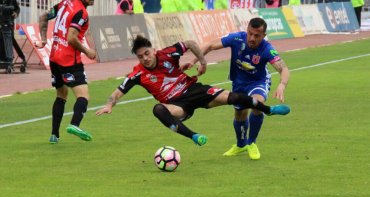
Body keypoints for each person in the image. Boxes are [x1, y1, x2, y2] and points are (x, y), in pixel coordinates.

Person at [96, 35, 290, 146]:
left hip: (194, 90)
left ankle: (269, 110)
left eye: (147, 53)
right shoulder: (137, 74)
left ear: (153, 50)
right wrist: (109, 104)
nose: (145, 58)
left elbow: (189, 43)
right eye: (140, 56)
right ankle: (194, 136)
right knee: (158, 110)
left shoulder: (168, 53)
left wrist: (203, 62)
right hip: (178, 105)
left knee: (236, 98)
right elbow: (118, 91)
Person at [184, 17, 290, 159]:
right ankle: (241, 145)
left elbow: (283, 69)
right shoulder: (237, 39)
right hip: (239, 83)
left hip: (258, 82)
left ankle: (251, 142)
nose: (252, 38)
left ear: (264, 36)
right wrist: (194, 60)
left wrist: (282, 85)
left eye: (257, 35)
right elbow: (209, 45)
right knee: (240, 114)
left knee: (257, 104)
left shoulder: (266, 49)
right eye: (250, 33)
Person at [35, 0, 97, 144]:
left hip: (54, 57)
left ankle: (54, 134)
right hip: (70, 60)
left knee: (61, 95)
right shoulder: (81, 13)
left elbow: (43, 16)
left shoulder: (65, 3)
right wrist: (88, 51)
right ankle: (75, 124)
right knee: (83, 96)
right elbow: (71, 38)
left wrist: (42, 40)